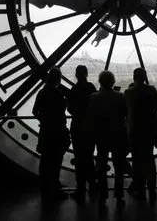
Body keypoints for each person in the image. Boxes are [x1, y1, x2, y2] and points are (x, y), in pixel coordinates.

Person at [87, 70, 128, 208]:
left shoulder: (94, 97)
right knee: (119, 167)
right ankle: (119, 195)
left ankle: (103, 194)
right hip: (117, 135)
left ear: (100, 81)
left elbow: (91, 117)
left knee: (102, 166)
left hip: (101, 135)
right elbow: (125, 114)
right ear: (113, 81)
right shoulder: (120, 96)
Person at [124, 67, 157, 202]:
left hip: (134, 131)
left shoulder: (128, 92)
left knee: (137, 161)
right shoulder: (152, 90)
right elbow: (156, 108)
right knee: (149, 160)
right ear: (145, 76)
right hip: (149, 130)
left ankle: (140, 189)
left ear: (134, 77)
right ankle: (152, 189)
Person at [32, 67, 70, 200]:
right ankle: (54, 186)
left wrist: (44, 121)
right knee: (56, 161)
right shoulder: (58, 94)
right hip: (58, 131)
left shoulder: (42, 93)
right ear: (58, 78)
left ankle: (46, 187)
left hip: (47, 131)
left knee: (46, 161)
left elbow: (35, 111)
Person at [66, 65, 98, 199]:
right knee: (89, 158)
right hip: (90, 128)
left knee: (79, 159)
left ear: (76, 74)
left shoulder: (74, 90)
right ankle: (92, 185)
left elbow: (70, 109)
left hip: (77, 128)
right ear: (86, 74)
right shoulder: (91, 88)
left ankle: (81, 188)